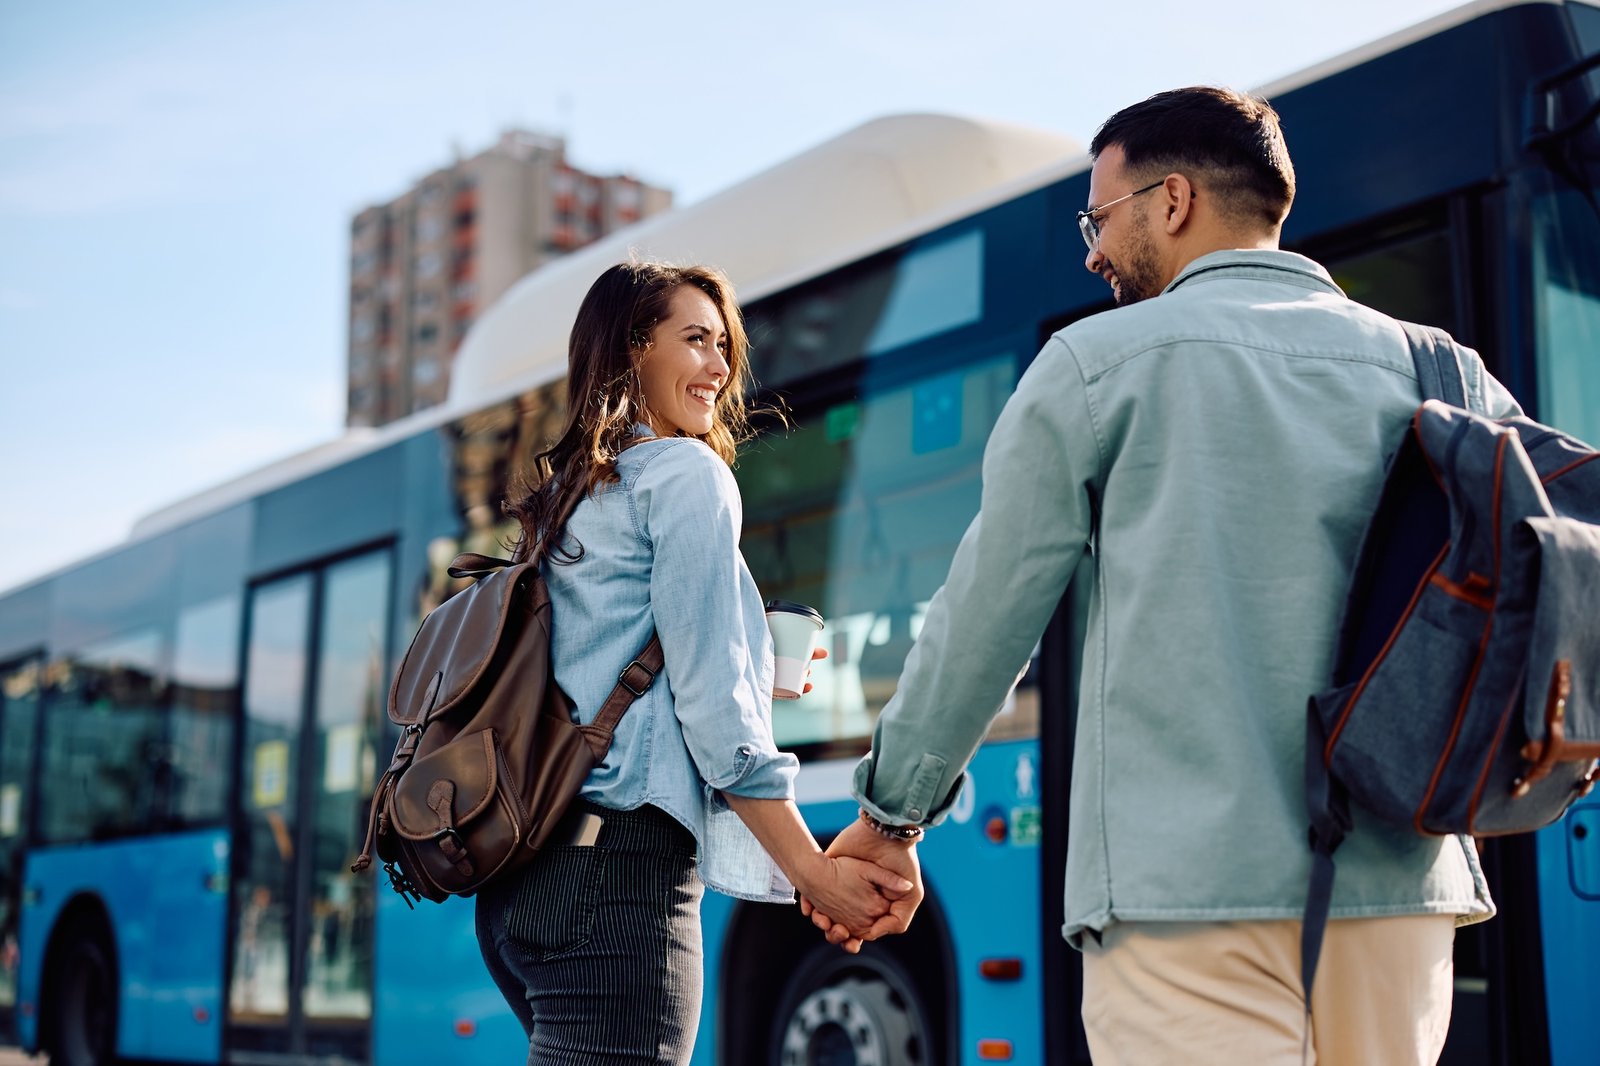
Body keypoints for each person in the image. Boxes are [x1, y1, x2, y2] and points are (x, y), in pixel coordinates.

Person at [807, 87, 1522, 1065]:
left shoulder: (1097, 366)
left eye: (1098, 219)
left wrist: (892, 817)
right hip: (1401, 895)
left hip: (1184, 897)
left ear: (1171, 201)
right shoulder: (1450, 375)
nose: (1093, 253)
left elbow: (985, 614)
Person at [476, 260, 911, 1065]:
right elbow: (715, 715)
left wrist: (750, 663)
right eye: (696, 341)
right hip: (618, 879)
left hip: (522, 884)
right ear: (634, 350)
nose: (721, 368)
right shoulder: (686, 474)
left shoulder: (572, 494)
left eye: (724, 347)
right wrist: (810, 872)